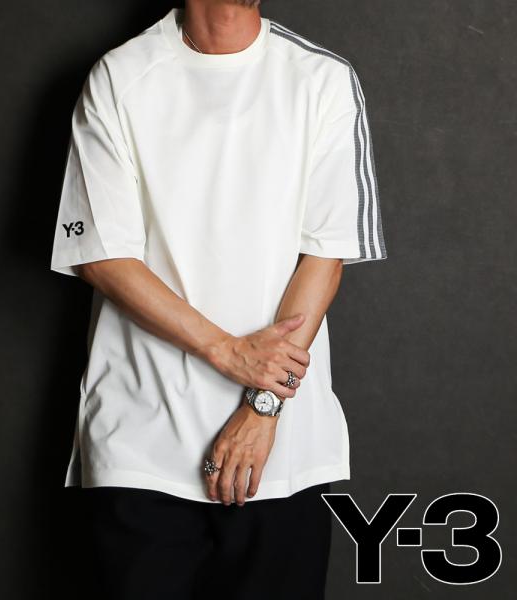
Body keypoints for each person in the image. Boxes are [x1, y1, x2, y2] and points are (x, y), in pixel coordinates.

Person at [49, 1, 387, 598]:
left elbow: (324, 256)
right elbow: (102, 255)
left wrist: (263, 407)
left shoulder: (321, 78)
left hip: (281, 456)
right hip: (141, 448)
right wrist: (229, 352)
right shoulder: (121, 76)